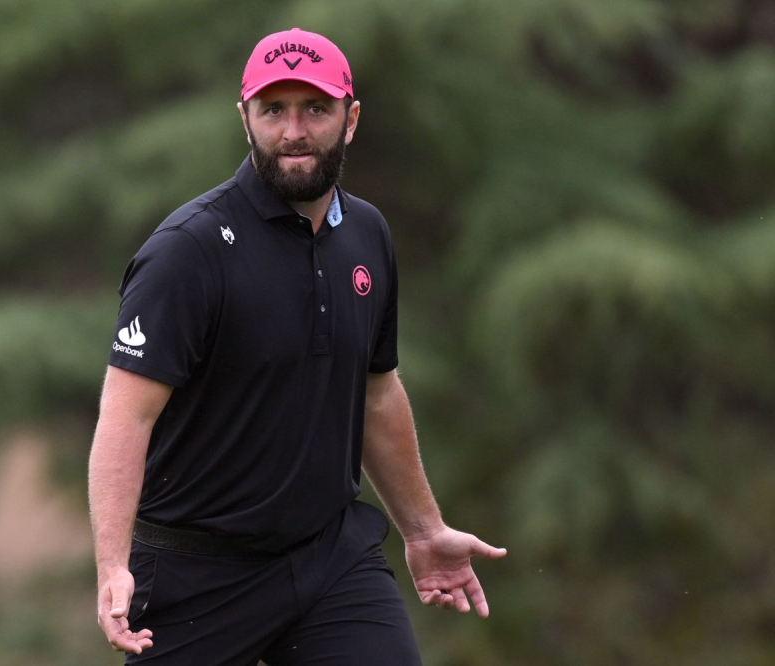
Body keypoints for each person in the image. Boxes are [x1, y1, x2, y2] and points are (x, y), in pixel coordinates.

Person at [89, 27, 507, 665]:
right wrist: (113, 565)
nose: (293, 132)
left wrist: (424, 529)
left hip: (329, 561)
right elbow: (127, 413)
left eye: (315, 109)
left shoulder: (367, 234)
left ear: (351, 117)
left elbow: (377, 393)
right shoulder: (188, 251)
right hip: (195, 576)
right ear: (245, 118)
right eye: (272, 110)